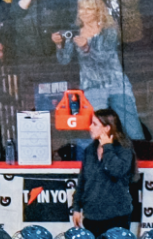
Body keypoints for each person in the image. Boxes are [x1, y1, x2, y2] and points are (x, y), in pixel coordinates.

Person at [54, 0, 142, 142]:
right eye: (81, 9)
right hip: (92, 86)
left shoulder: (110, 31)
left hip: (116, 84)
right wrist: (59, 45)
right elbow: (64, 60)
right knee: (96, 131)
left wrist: (86, 48)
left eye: (89, 9)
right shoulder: (75, 32)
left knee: (132, 129)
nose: (84, 13)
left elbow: (104, 58)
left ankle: (141, 160)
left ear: (98, 11)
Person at [70, 110, 135, 239]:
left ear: (107, 128)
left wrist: (107, 147)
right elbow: (83, 180)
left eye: (94, 124)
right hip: (91, 217)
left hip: (116, 217)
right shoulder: (90, 150)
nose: (90, 127)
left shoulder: (124, 149)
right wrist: (76, 208)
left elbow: (116, 170)